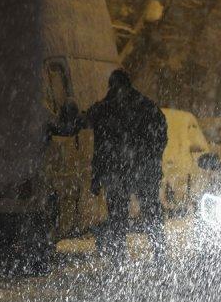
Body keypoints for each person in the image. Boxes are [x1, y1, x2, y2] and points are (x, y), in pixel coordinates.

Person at [60, 70, 167, 265]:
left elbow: (80, 123)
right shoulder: (146, 105)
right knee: (151, 211)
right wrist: (152, 157)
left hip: (115, 171)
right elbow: (161, 131)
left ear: (111, 85)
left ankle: (119, 258)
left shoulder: (105, 107)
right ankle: (159, 252)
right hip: (143, 170)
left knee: (117, 215)